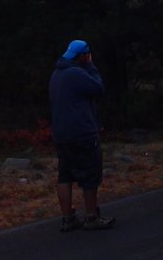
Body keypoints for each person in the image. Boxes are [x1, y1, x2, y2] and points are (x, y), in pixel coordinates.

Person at [48, 39, 115, 231]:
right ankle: (91, 216)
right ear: (83, 56)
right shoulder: (76, 73)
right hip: (82, 133)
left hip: (61, 134)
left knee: (65, 176)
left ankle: (67, 218)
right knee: (90, 175)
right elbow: (98, 88)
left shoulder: (56, 74)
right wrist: (92, 67)